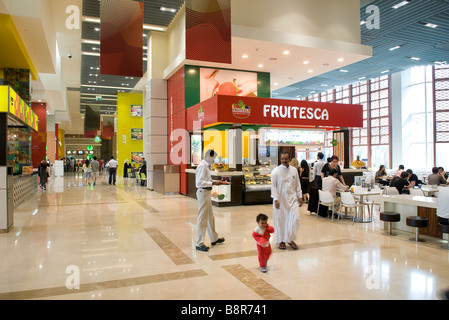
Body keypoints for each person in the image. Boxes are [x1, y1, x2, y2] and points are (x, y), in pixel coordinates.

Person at [271, 151, 303, 250]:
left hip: (292, 199)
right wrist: (275, 199)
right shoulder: (275, 171)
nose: (284, 161)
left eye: (286, 159)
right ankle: (281, 241)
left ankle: (290, 239)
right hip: (280, 200)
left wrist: (300, 196)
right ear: (280, 159)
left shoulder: (294, 170)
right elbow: (273, 186)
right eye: (282, 159)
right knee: (281, 221)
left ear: (290, 159)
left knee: (295, 219)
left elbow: (297, 184)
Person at [195, 149, 225, 252]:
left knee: (210, 217)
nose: (214, 160)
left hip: (206, 193)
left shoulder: (205, 166)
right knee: (202, 218)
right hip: (203, 193)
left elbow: (205, 180)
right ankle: (199, 243)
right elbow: (199, 183)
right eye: (213, 158)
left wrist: (213, 181)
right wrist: (213, 183)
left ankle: (214, 238)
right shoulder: (202, 166)